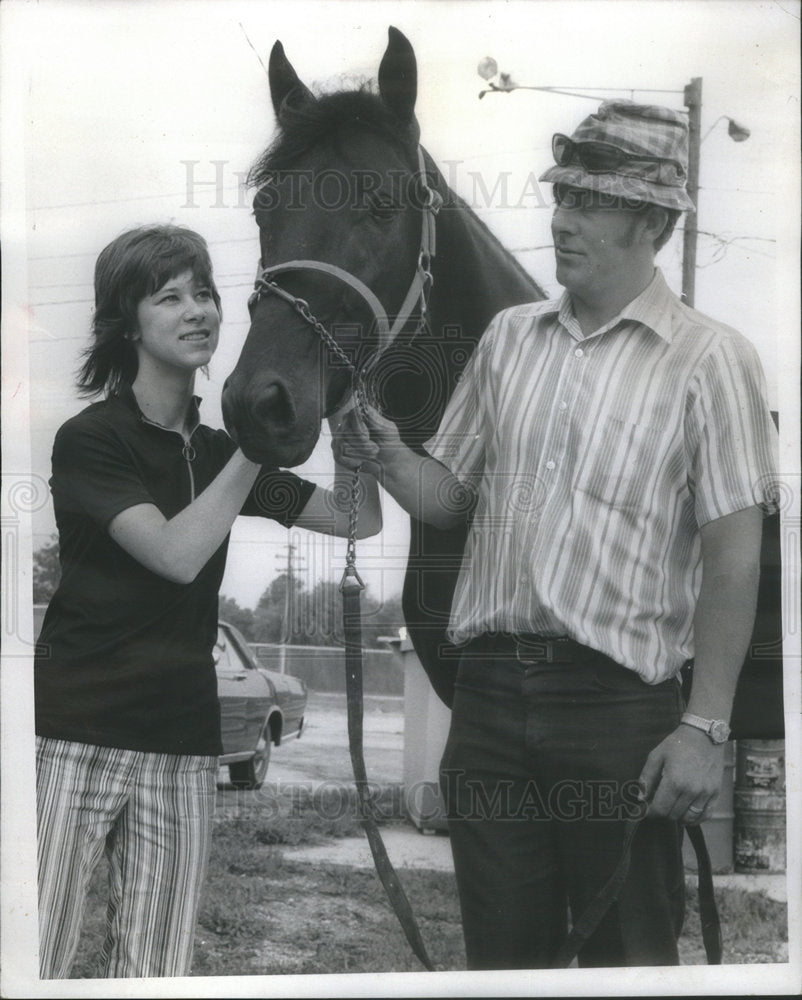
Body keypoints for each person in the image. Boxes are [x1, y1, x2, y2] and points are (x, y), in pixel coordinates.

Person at [333, 101, 778, 969]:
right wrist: (388, 456)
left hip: (619, 713)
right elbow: (450, 498)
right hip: (490, 702)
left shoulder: (711, 359)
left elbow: (735, 551)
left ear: (653, 222)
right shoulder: (508, 340)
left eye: (590, 201)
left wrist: (706, 727)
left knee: (627, 961)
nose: (562, 218)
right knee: (504, 967)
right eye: (561, 193)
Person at [34, 224, 380, 979]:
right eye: (170, 297)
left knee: (155, 972)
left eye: (205, 293)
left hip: (183, 742)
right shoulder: (91, 440)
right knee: (36, 959)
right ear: (127, 322)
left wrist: (354, 446)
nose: (198, 311)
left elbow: (359, 520)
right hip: (72, 732)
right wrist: (260, 439)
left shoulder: (223, 453)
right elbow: (176, 555)